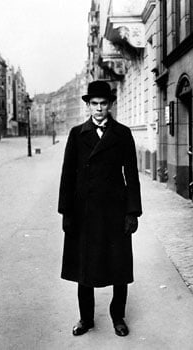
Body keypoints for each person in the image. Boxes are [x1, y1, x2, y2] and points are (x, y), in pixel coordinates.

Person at [58, 80, 142, 337]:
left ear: (110, 105)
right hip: (84, 211)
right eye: (94, 104)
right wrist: (66, 212)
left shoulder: (123, 133)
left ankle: (118, 316)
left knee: (119, 266)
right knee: (84, 267)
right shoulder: (76, 134)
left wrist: (132, 212)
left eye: (103, 103)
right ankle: (86, 318)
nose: (98, 108)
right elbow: (67, 175)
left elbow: (132, 174)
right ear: (88, 105)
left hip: (114, 211)